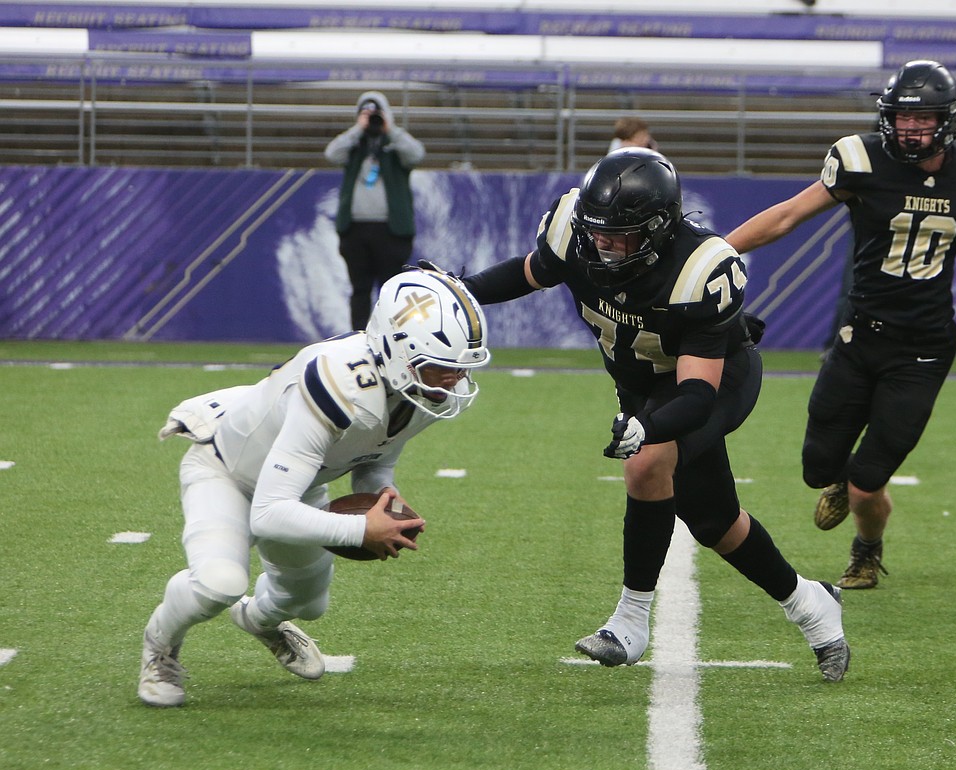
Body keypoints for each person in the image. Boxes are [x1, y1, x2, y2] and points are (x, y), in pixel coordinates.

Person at [457, 147, 850, 681]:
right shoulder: (576, 232)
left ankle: (630, 620)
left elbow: (695, 393)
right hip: (641, 388)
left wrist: (647, 426)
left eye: (620, 235)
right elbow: (529, 273)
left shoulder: (698, 269)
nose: (604, 245)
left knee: (647, 463)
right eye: (596, 232)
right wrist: (462, 292)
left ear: (660, 228)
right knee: (716, 523)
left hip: (713, 382)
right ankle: (810, 604)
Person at [726, 60, 956, 590]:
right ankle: (842, 480)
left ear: (949, 119)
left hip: (925, 347)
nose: (910, 128)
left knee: (869, 482)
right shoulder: (859, 158)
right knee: (818, 469)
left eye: (924, 119)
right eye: (902, 118)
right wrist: (718, 251)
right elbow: (788, 215)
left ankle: (867, 549)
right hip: (858, 335)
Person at [137, 268, 490, 707]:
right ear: (396, 351)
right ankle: (159, 648)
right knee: (220, 582)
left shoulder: (420, 391)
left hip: (297, 483)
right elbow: (268, 512)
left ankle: (258, 621)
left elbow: (376, 457)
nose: (453, 380)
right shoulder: (339, 383)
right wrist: (362, 530)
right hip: (226, 471)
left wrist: (383, 499)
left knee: (307, 601)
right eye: (441, 367)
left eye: (460, 368)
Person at [325, 91, 427, 330]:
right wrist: (357, 129)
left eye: (375, 113)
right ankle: (358, 336)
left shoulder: (395, 147)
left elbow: (417, 154)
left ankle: (392, 336)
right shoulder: (354, 146)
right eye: (366, 113)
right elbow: (331, 153)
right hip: (355, 230)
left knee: (391, 290)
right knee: (360, 289)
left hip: (391, 230)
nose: (371, 119)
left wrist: (389, 128)